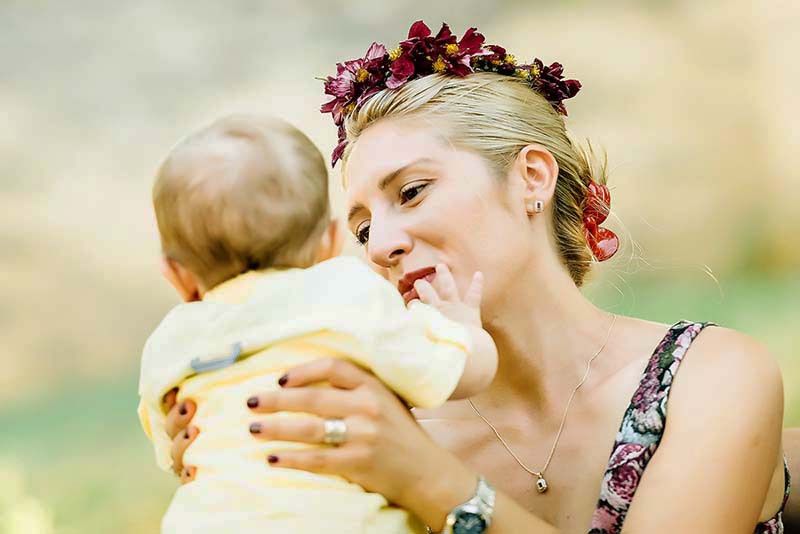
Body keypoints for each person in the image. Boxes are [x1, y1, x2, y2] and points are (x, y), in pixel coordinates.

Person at [165, 21, 789, 533]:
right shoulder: (373, 429)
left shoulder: (708, 378)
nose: (380, 246)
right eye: (361, 229)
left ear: (531, 178)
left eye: (411, 191)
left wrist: (428, 480)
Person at [139, 113, 498, 533]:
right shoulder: (346, 293)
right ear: (330, 242)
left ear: (176, 275)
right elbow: (453, 372)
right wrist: (460, 328)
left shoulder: (169, 340)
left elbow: (174, 450)